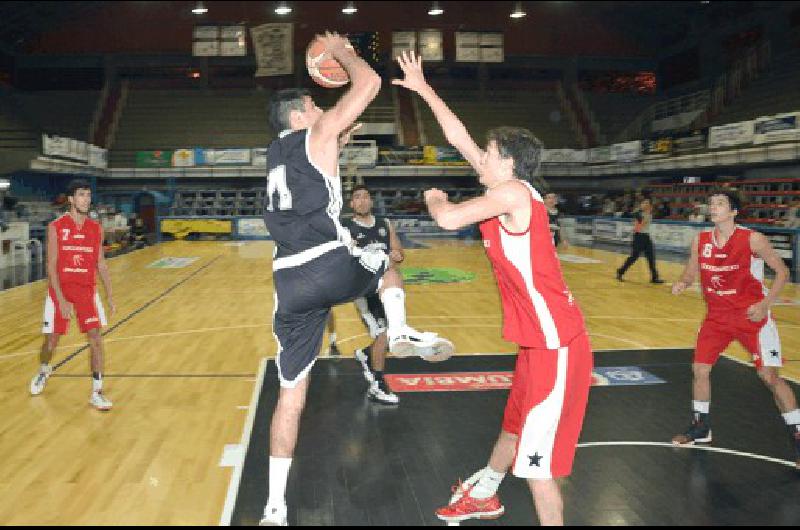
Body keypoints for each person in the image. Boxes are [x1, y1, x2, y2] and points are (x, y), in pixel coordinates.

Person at [259, 34, 453, 526]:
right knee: (385, 258)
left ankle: (275, 507)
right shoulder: (315, 135)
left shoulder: (277, 153)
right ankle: (402, 328)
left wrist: (339, 141)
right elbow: (368, 82)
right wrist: (339, 51)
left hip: (288, 281)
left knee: (290, 394)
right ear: (299, 116)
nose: (319, 106)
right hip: (328, 262)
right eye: (312, 103)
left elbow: (314, 174)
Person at [393, 51, 592, 526]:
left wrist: (436, 197)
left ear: (507, 161)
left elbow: (446, 218)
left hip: (558, 345)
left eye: (488, 151)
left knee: (540, 473)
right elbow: (457, 134)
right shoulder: (508, 189)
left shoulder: (512, 194)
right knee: (512, 428)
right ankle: (485, 492)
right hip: (538, 342)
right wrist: (423, 90)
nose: (478, 155)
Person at [671, 190, 800, 468]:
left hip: (751, 317)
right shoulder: (701, 240)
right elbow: (691, 272)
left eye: (719, 203)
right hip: (716, 317)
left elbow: (783, 272)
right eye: (711, 203)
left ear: (733, 211)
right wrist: (682, 283)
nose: (713, 207)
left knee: (770, 377)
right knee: (700, 370)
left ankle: (798, 433)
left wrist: (766, 304)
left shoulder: (752, 239)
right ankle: (700, 427)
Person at [29, 179, 117, 411]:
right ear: (71, 199)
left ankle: (97, 391)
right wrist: (60, 298)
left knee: (96, 339)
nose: (86, 199)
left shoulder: (95, 228)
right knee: (51, 341)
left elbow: (101, 264)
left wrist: (109, 295)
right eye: (81, 195)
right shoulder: (56, 227)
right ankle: (44, 369)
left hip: (87, 291)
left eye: (88, 195)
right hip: (61, 291)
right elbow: (51, 266)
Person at [345, 184, 406, 405]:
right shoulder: (345, 227)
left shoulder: (384, 224)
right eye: (357, 198)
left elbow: (399, 252)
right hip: (363, 290)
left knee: (391, 332)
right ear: (352, 204)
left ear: (371, 201)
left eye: (365, 197)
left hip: (386, 286)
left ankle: (365, 353)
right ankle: (377, 385)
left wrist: (395, 255)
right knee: (383, 332)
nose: (362, 201)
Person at [616, 197, 664, 284]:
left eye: (647, 203)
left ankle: (654, 277)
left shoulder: (649, 214)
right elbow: (638, 227)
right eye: (644, 203)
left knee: (651, 258)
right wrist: (643, 217)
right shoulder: (638, 214)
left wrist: (648, 213)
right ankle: (620, 272)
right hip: (638, 237)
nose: (646, 204)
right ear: (641, 205)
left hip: (646, 237)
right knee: (634, 257)